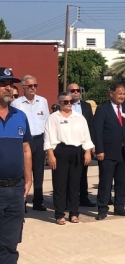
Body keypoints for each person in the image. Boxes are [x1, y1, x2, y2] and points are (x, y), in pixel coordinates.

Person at [44, 92, 94, 225]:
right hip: (60, 151)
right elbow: (48, 138)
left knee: (74, 184)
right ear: (59, 103)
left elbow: (86, 136)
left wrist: (87, 152)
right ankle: (59, 214)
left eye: (70, 102)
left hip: (77, 151)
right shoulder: (53, 118)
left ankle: (74, 213)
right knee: (60, 184)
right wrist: (50, 155)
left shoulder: (79, 117)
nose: (68, 104)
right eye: (65, 102)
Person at [0, 68, 33, 263]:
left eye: (11, 85)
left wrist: (28, 179)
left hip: (15, 190)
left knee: (10, 243)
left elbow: (26, 149)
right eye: (3, 85)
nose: (9, 89)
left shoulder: (20, 116)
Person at [93, 83, 125, 220]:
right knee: (106, 182)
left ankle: (119, 207)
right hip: (108, 152)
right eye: (119, 94)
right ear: (111, 94)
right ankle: (102, 208)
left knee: (121, 181)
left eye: (124, 94)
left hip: (124, 152)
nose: (122, 96)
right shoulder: (102, 109)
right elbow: (97, 132)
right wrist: (99, 150)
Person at [11, 75, 48, 211]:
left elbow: (46, 122)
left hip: (39, 139)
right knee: (23, 172)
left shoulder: (43, 101)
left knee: (39, 172)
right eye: (30, 86)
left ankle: (38, 201)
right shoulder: (17, 103)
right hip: (24, 141)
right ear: (23, 87)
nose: (33, 88)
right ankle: (23, 202)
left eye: (35, 86)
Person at [66, 83, 96, 208]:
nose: (76, 92)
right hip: (68, 144)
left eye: (78, 90)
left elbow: (91, 126)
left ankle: (83, 197)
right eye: (72, 90)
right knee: (68, 173)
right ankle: (68, 200)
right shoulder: (64, 105)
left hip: (83, 144)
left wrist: (92, 144)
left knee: (83, 173)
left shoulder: (86, 106)